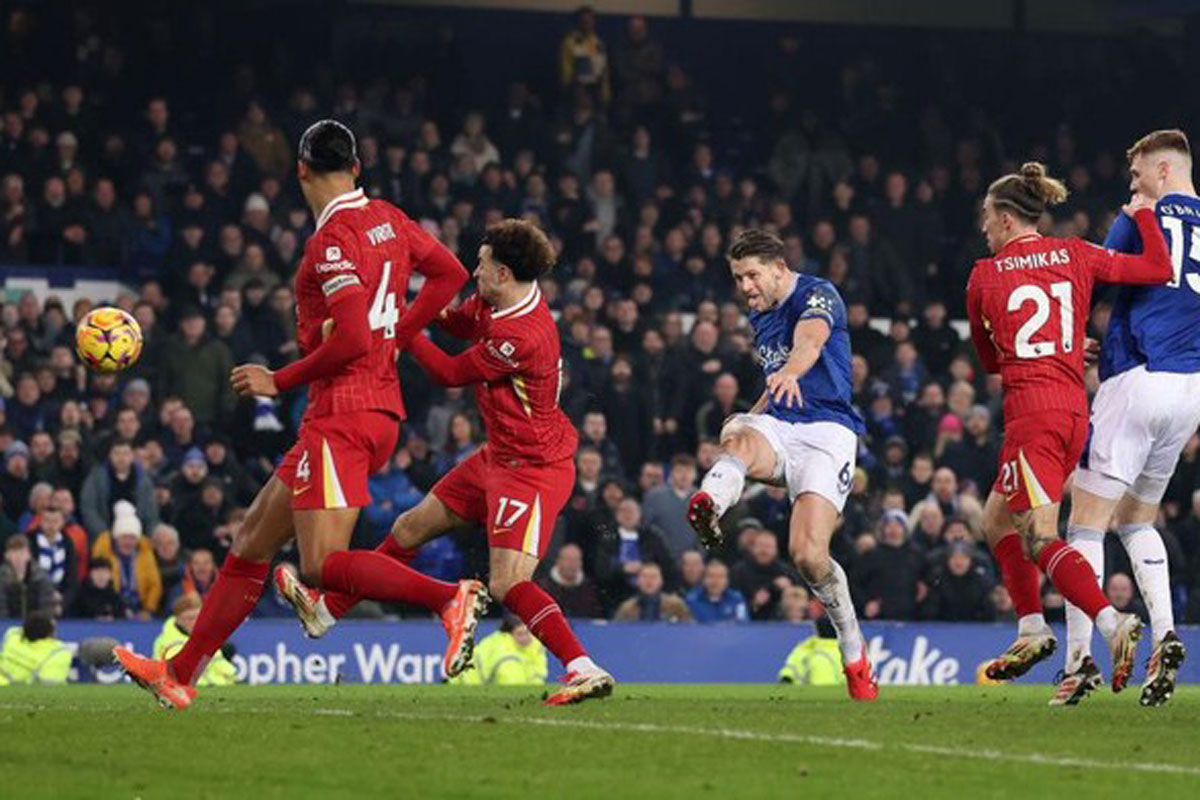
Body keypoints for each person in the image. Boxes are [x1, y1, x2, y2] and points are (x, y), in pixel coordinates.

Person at [114, 119, 474, 710]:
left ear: (300, 170)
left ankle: (447, 599)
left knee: (321, 565)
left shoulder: (330, 243)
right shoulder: (389, 217)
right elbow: (451, 274)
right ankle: (177, 672)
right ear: (355, 167)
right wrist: (402, 331)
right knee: (253, 541)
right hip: (368, 408)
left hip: (345, 411)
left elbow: (354, 336)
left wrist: (277, 380)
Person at [302, 218, 615, 706]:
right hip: (497, 457)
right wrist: (400, 303)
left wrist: (399, 332)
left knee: (508, 582)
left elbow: (448, 372)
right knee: (408, 528)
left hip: (532, 469)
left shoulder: (523, 333)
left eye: (483, 264)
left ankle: (582, 666)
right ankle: (327, 611)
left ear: (505, 273)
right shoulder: (498, 303)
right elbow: (454, 321)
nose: (474, 270)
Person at [964, 162, 1172, 705]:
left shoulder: (985, 275)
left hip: (1031, 414)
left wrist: (1039, 351)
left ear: (1007, 219)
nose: (983, 227)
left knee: (1039, 535)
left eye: (987, 217)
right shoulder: (1077, 253)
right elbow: (1156, 266)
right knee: (995, 517)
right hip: (1074, 409)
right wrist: (1145, 215)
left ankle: (1112, 624)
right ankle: (1032, 628)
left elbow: (990, 360)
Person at [686, 228, 877, 700]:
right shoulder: (760, 314)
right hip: (782, 425)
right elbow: (775, 389)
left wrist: (791, 371)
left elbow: (810, 343)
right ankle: (711, 503)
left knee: (809, 556)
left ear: (778, 268)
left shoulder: (817, 293)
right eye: (737, 278)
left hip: (828, 434)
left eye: (751, 276)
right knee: (737, 430)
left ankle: (853, 653)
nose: (745, 287)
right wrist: (754, 413)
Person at [1051, 131, 1200, 707]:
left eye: (1137, 173)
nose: (1131, 185)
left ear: (1163, 171)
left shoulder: (1144, 214)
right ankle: (1164, 634)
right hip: (1188, 389)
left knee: (1083, 526)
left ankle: (1078, 663)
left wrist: (1080, 340)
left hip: (1137, 379)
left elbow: (1097, 280)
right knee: (1138, 520)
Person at [152, 593, 237, 687]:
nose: (195, 623)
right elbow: (180, 676)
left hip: (219, 690)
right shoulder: (168, 642)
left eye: (199, 618)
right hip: (193, 692)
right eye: (189, 618)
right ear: (177, 619)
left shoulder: (208, 637)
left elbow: (226, 671)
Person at [449, 617, 547, 686]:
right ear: (509, 635)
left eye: (527, 633)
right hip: (466, 683)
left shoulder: (535, 648)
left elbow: (537, 677)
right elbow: (512, 686)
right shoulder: (505, 652)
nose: (525, 638)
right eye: (520, 634)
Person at [0, 610, 71, 685]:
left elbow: (22, 629)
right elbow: (52, 686)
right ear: (49, 634)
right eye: (54, 629)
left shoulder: (12, 635)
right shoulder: (56, 653)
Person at [613, 561, 691, 621]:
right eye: (645, 576)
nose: (649, 581)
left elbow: (690, 629)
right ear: (638, 581)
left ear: (661, 581)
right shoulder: (627, 608)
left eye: (653, 577)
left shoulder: (675, 605)